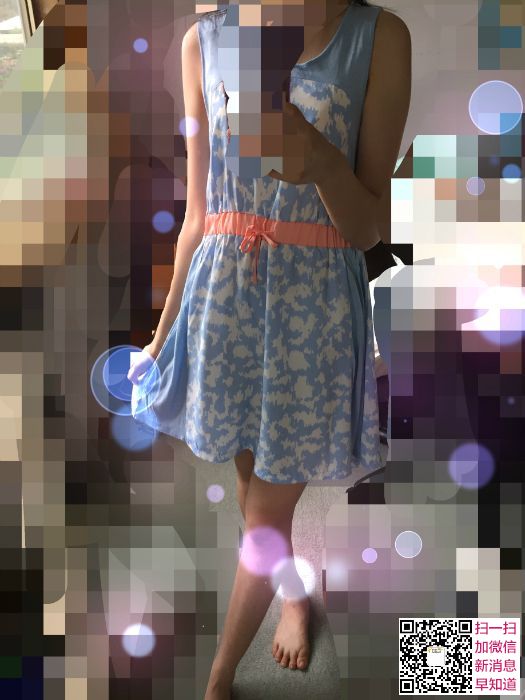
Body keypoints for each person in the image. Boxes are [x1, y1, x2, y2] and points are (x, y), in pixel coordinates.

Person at [127, 0, 411, 697]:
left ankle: (218, 680)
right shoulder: (205, 40)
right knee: (252, 484)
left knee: (264, 513)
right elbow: (200, 215)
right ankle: (292, 591)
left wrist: (320, 162)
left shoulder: (377, 38)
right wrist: (160, 340)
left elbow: (371, 227)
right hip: (226, 302)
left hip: (313, 312)